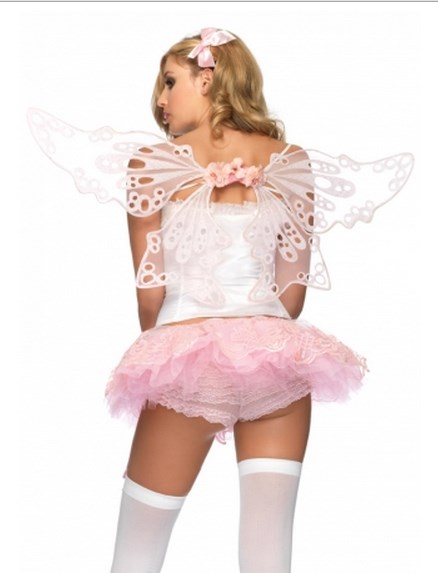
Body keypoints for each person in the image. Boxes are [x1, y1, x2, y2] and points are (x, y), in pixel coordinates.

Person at [27, 27, 414, 573]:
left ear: (207, 79)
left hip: (186, 360)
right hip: (278, 361)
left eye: (169, 82)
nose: (160, 99)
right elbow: (292, 295)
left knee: (138, 551)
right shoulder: (292, 161)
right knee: (268, 554)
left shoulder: (152, 164)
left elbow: (151, 297)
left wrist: (164, 356)